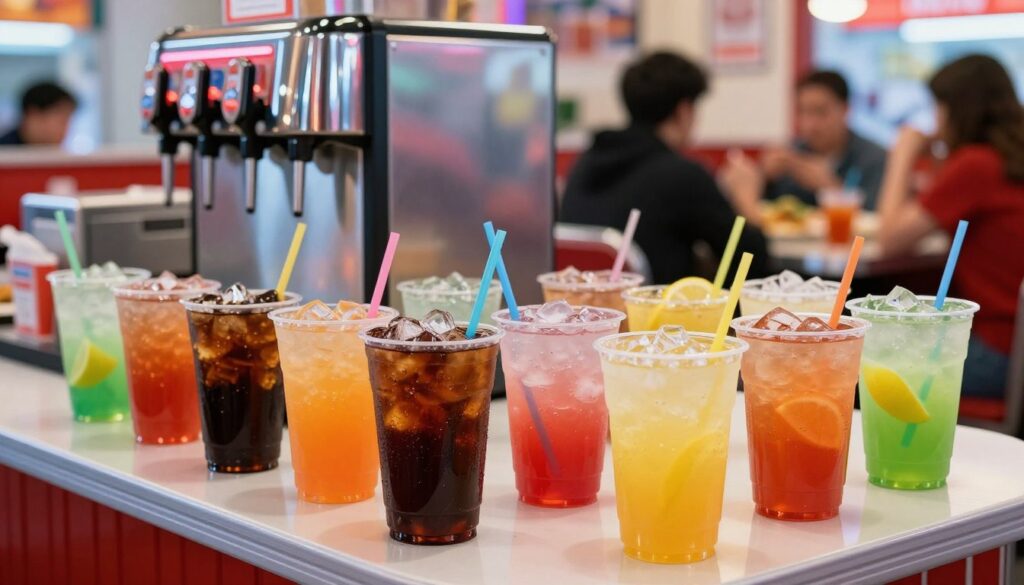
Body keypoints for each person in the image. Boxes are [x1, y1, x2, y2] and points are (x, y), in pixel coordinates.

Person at [877, 54, 1024, 398]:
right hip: (1014, 346)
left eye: (938, 107)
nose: (936, 122)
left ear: (960, 109)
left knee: (867, 364)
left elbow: (890, 239)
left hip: (997, 351)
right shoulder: (1007, 159)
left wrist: (902, 154)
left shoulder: (976, 163)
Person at [559, 51, 768, 284]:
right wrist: (747, 200)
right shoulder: (682, 175)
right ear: (684, 110)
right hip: (658, 316)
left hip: (585, 312)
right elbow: (753, 264)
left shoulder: (585, 162)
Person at [721, 70, 887, 210]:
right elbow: (764, 213)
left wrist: (830, 188)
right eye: (803, 112)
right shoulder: (791, 154)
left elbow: (879, 214)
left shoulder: (875, 158)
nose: (810, 124)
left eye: (820, 112)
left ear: (845, 110)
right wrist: (764, 178)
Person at [0, 81, 77, 146]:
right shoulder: (5, 152)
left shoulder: (56, 156)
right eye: (62, 121)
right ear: (33, 115)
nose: (66, 129)